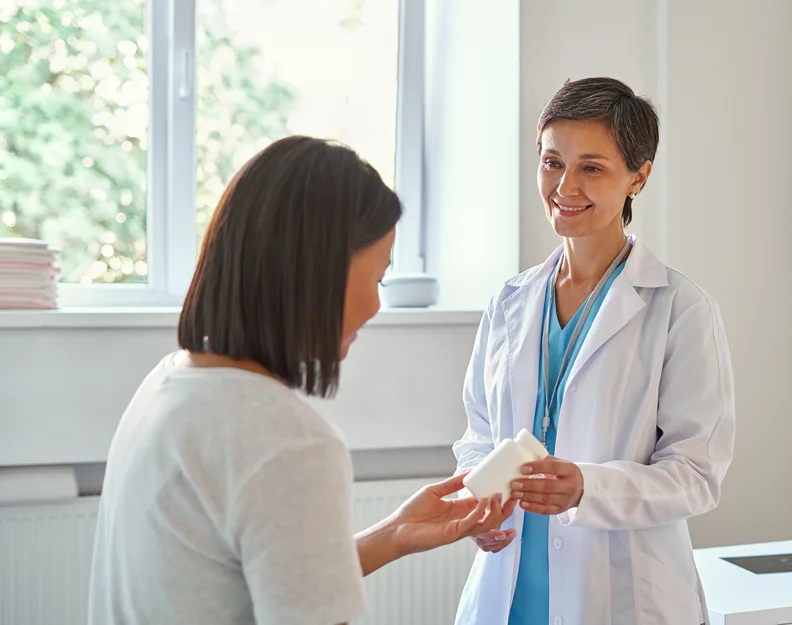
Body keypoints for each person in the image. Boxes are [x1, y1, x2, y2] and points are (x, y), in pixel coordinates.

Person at [87, 136, 515, 625]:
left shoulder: (172, 382)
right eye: (378, 278)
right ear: (320, 269)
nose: (376, 306)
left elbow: (244, 582)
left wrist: (395, 533)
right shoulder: (287, 440)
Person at [452, 77, 736, 625]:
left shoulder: (681, 309)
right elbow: (479, 435)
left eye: (592, 167)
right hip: (509, 588)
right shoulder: (509, 302)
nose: (565, 185)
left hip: (619, 593)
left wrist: (589, 486)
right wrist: (477, 498)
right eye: (552, 161)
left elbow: (697, 474)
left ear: (639, 177)